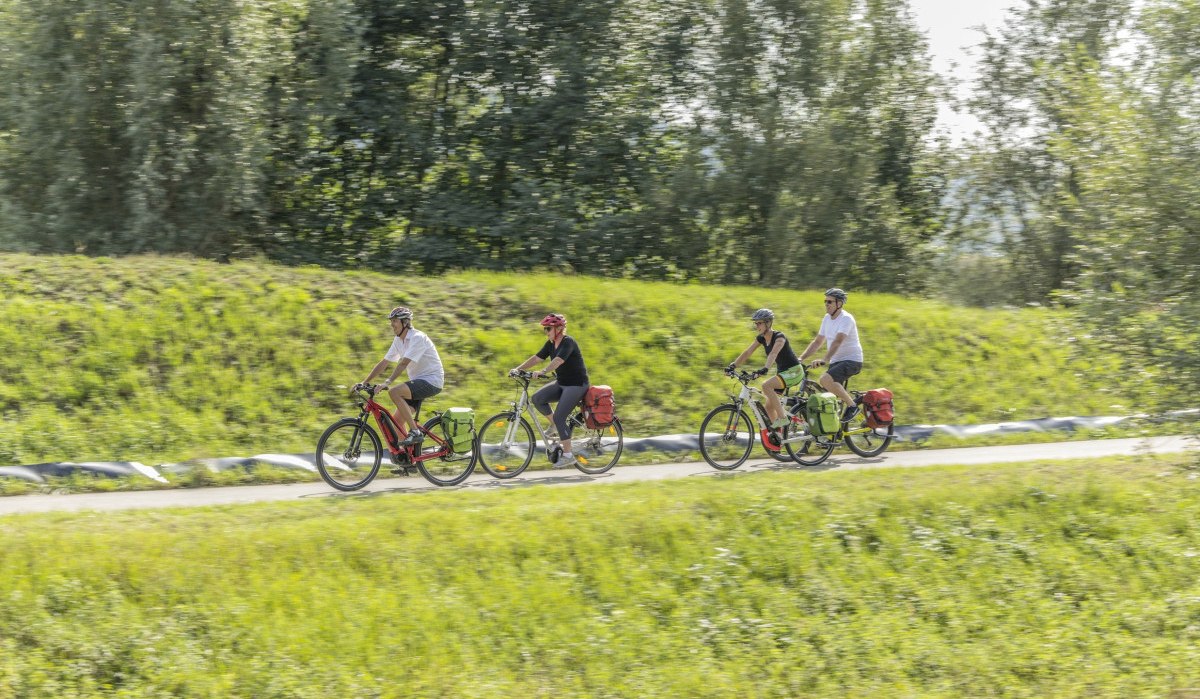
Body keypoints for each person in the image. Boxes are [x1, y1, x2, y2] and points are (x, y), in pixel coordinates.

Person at [356, 306, 445, 446]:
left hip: (432, 381)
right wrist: (365, 381)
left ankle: (415, 432)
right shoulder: (398, 341)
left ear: (405, 322)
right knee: (397, 422)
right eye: (391, 321)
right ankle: (409, 462)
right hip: (417, 383)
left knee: (394, 391)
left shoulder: (417, 338)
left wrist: (387, 382)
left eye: (395, 321)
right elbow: (384, 362)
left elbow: (403, 363)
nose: (392, 324)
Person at [511, 313, 589, 469]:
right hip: (562, 383)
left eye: (548, 329)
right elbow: (536, 358)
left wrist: (543, 371)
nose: (546, 332)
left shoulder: (568, 342)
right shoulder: (550, 344)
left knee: (560, 416)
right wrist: (517, 369)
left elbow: (558, 360)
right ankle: (555, 425)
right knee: (538, 399)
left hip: (576, 385)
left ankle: (568, 455)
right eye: (545, 329)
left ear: (559, 329)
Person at [726, 308, 805, 431]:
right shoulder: (761, 338)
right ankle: (780, 435)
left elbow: (773, 353)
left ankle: (783, 418)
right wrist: (733, 365)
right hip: (783, 374)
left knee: (766, 386)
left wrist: (765, 368)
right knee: (769, 406)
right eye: (756, 323)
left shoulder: (779, 337)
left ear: (768, 323)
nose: (757, 326)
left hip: (794, 372)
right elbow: (748, 352)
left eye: (759, 323)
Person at [799, 288, 863, 422]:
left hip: (852, 360)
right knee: (827, 396)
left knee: (825, 379)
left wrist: (824, 359)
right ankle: (834, 430)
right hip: (836, 361)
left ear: (839, 303)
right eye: (825, 301)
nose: (826, 304)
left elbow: (838, 341)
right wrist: (801, 358)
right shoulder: (827, 318)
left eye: (830, 302)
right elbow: (817, 342)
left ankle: (852, 406)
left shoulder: (846, 319)